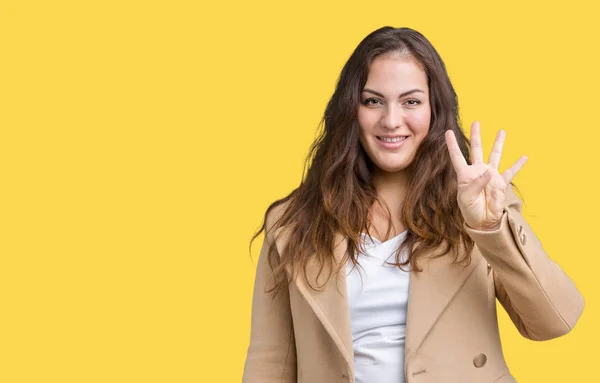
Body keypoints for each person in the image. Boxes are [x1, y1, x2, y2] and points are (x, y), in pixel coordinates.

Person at [242, 26, 584, 383]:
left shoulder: (480, 203)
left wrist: (490, 230)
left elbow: (554, 321)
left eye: (411, 101)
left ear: (435, 109)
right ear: (351, 110)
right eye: (373, 100)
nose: (391, 120)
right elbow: (269, 362)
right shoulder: (294, 222)